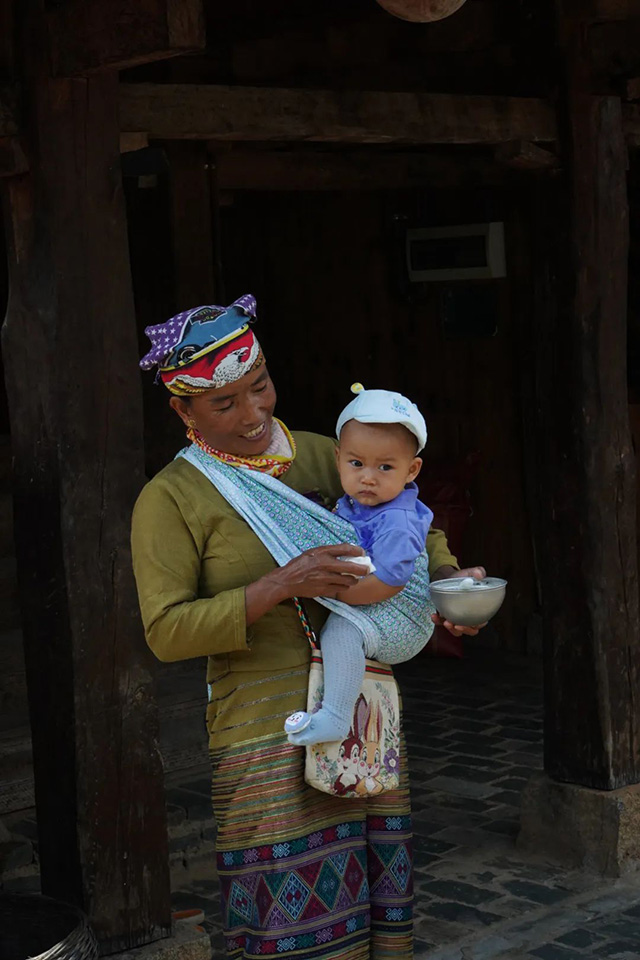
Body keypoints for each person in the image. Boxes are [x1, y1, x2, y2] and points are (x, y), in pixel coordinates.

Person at [131, 295, 486, 960]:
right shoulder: (171, 500)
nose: (254, 412)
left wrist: (446, 583)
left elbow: (416, 522)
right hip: (265, 733)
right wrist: (276, 586)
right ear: (182, 410)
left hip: (359, 709)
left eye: (260, 386)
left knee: (377, 910)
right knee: (292, 927)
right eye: (225, 403)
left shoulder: (333, 457)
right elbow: (166, 631)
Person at [284, 383, 436, 747]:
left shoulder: (396, 519)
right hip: (379, 599)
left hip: (404, 617)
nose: (368, 477)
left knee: (341, 631)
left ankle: (336, 716)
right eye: (356, 464)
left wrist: (333, 592)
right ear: (337, 459)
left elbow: (391, 582)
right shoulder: (358, 502)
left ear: (412, 469)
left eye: (386, 466)